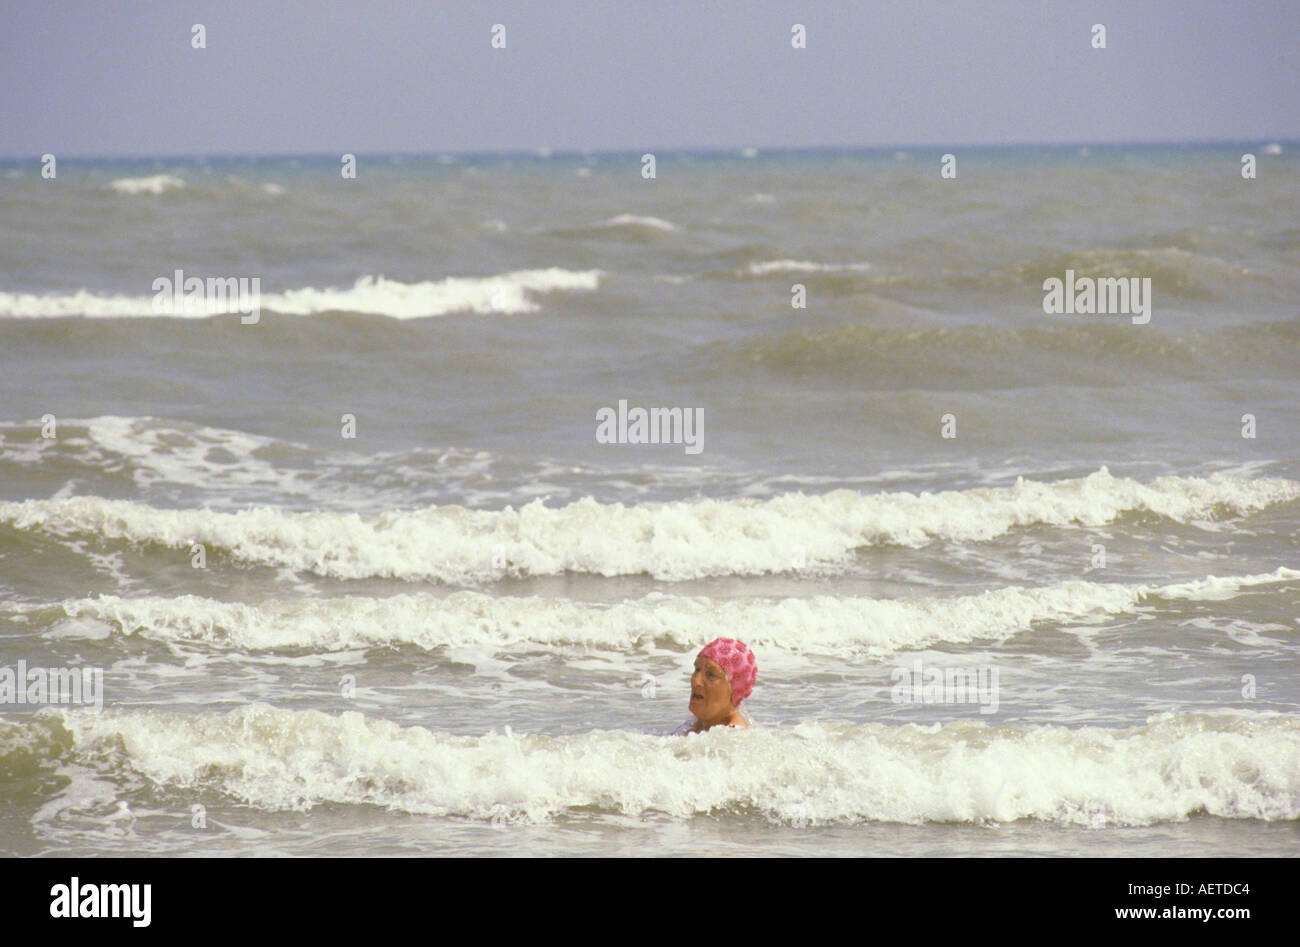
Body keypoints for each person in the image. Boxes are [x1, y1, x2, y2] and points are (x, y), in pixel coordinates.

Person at [672, 638, 757, 735]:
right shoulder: (697, 724)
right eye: (697, 669)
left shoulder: (733, 737)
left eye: (711, 674)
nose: (696, 681)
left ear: (734, 689)